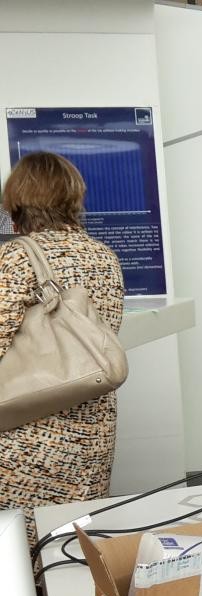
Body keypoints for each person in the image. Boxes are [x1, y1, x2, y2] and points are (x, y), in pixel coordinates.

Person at [0, 152, 125, 549]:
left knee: (23, 555)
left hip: (27, 434)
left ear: (17, 202)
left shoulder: (16, 257)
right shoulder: (104, 256)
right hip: (92, 428)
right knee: (72, 547)